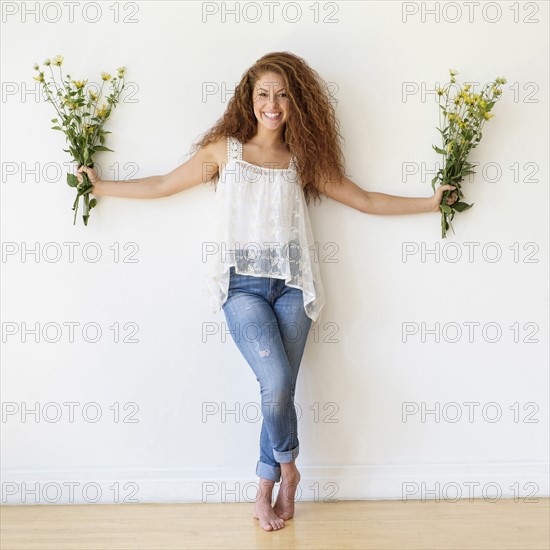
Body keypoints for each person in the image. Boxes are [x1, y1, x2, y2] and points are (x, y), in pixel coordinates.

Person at [77, 51, 458, 532]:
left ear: (296, 101)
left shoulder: (302, 159)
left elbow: (362, 199)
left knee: (277, 391)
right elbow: (162, 186)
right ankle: (288, 469)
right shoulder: (225, 150)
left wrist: (429, 202)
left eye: (282, 94)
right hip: (242, 287)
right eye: (263, 94)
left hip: (294, 286)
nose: (272, 104)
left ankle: (265, 489)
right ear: (249, 98)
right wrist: (101, 188)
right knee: (275, 383)